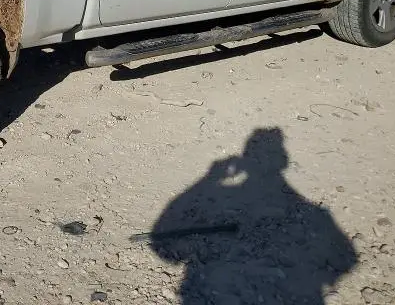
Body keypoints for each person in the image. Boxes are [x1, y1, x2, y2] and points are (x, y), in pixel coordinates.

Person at [151, 128, 357, 304]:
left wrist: (209, 178)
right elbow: (347, 260)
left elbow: (163, 249)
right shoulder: (314, 214)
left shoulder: (311, 212)